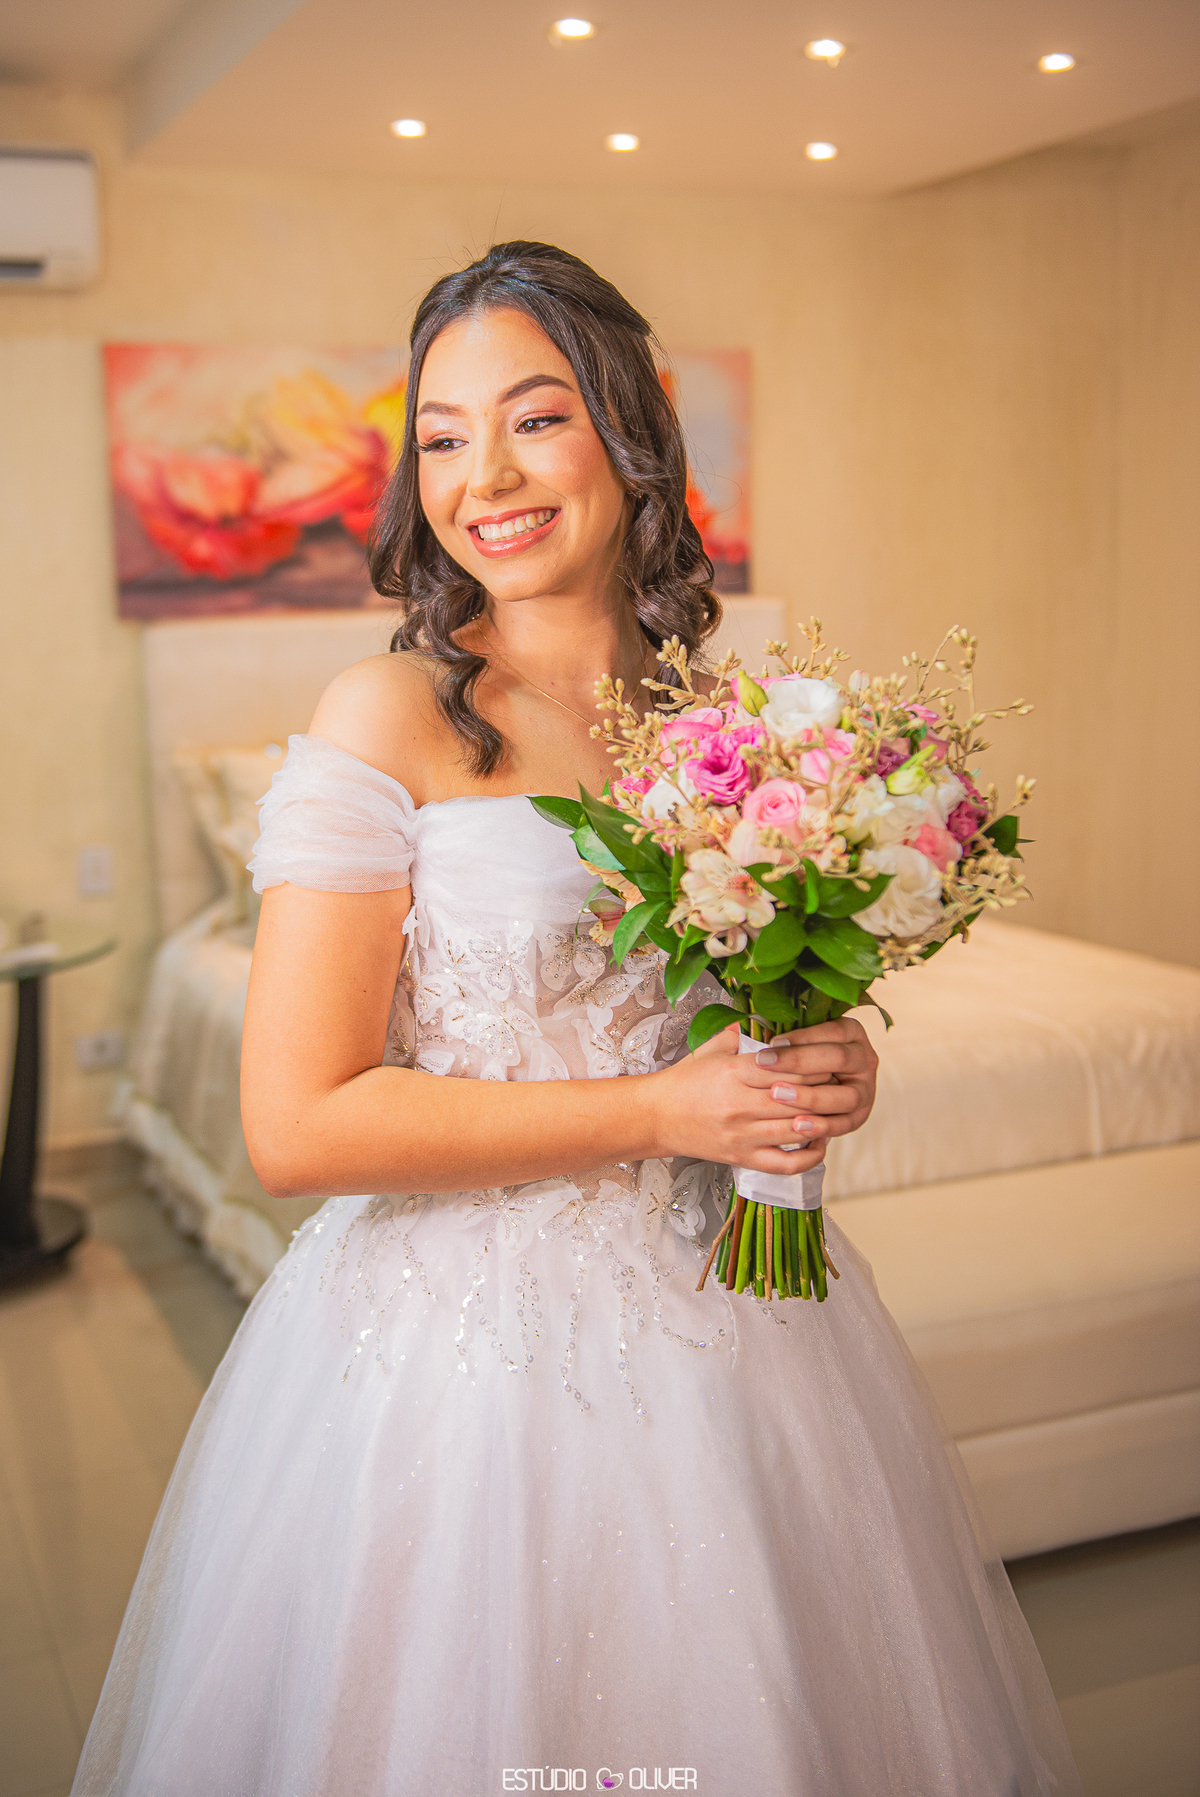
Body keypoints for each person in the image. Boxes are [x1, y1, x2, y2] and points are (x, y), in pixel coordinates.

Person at [73, 242, 1081, 1796]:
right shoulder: (387, 715)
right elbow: (298, 1123)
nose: (485, 477)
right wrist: (660, 1109)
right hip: (470, 1368)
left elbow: (733, 1014)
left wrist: (810, 1061)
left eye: (535, 419)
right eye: (443, 437)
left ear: (630, 429)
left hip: (746, 1327)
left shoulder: (729, 729)